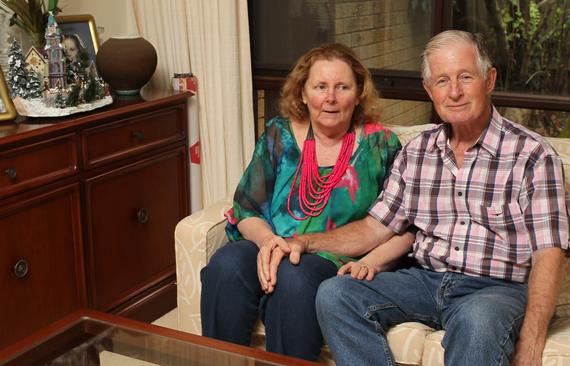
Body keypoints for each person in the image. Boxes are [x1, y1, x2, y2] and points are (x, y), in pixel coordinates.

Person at [276, 30, 569, 365]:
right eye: (442, 81)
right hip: (424, 281)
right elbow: (375, 228)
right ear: (430, 91)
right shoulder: (418, 151)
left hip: (494, 290)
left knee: (479, 319)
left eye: (465, 77)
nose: (454, 91)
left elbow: (550, 253)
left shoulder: (532, 154)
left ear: (489, 80)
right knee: (335, 294)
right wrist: (305, 242)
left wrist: (531, 342)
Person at [199, 43, 414, 361]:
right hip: (271, 243)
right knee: (226, 265)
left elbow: (405, 225)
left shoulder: (381, 145)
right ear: (302, 93)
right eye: (320, 87)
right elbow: (246, 207)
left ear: (357, 94)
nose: (331, 97)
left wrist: (371, 262)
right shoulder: (277, 135)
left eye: (342, 87)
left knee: (294, 277)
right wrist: (269, 241)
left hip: (335, 257)